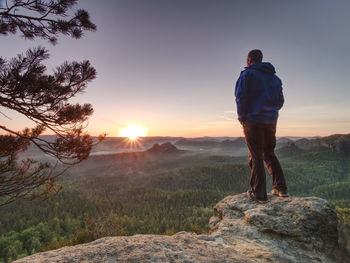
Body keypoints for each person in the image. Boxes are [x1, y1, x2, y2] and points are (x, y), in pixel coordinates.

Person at [235, 49, 288, 203]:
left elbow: (240, 97)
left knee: (256, 155)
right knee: (269, 153)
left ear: (249, 60)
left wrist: (242, 117)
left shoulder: (247, 75)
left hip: (253, 119)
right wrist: (270, 111)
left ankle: (258, 193)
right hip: (271, 120)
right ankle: (281, 188)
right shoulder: (275, 78)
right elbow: (280, 101)